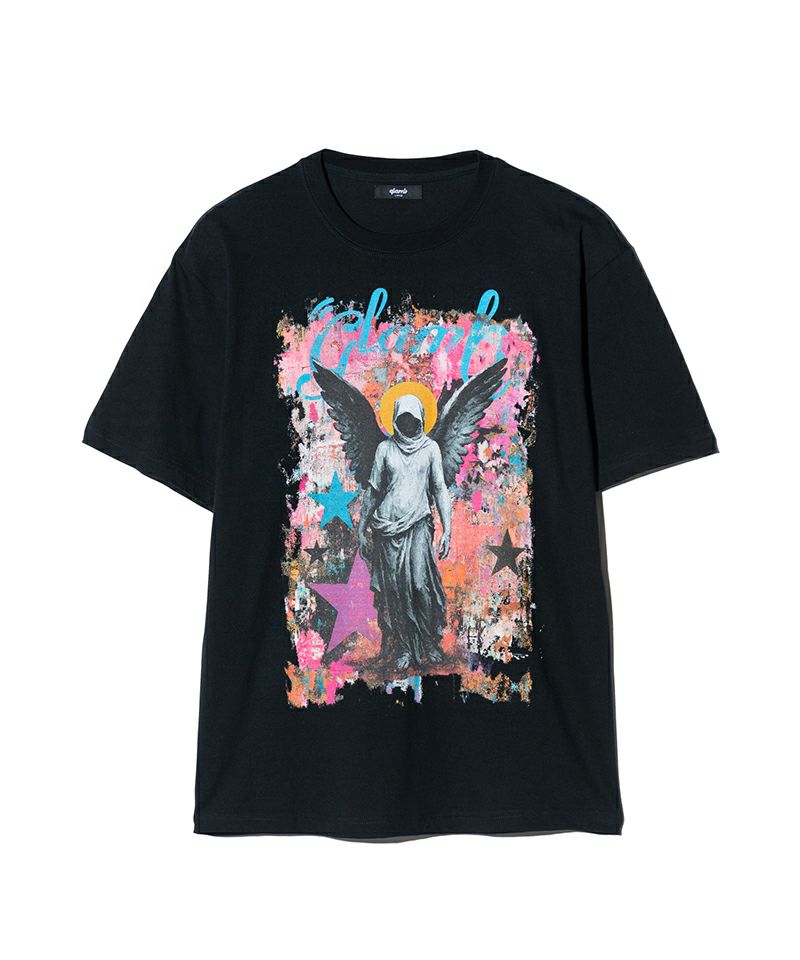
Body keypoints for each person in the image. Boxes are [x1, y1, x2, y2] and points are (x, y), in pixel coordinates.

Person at [358, 394, 452, 670]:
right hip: (387, 531)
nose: (408, 423)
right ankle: (403, 648)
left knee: (420, 585)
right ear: (396, 420)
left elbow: (439, 488)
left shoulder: (431, 448)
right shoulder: (385, 449)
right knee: (396, 592)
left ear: (421, 419)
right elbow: (373, 491)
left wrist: (447, 529)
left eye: (413, 419)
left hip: (419, 524)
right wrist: (362, 528)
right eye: (403, 418)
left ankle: (428, 643)